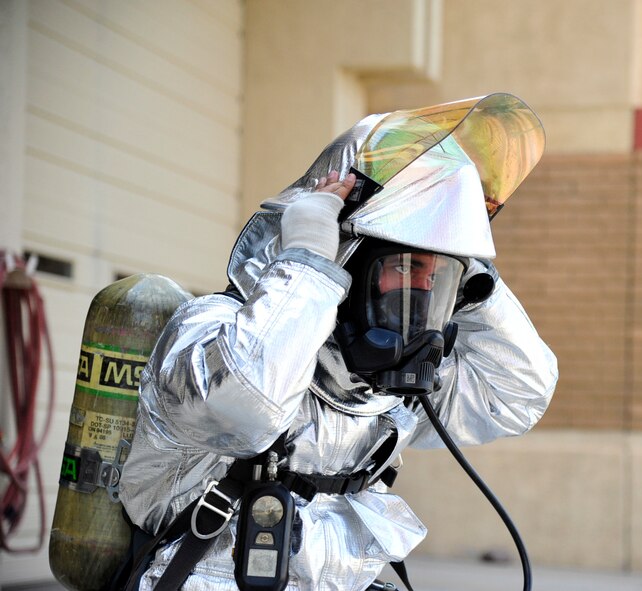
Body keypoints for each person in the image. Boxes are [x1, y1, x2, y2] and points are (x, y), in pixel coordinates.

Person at [119, 93, 558, 591]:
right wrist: (308, 257)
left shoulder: (381, 389)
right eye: (402, 266)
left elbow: (518, 394)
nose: (419, 295)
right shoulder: (212, 331)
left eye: (436, 283)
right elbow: (246, 402)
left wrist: (476, 282)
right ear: (347, 257)